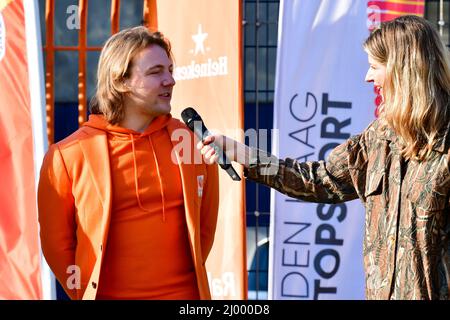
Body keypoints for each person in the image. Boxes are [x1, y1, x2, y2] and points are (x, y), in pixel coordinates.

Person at [198, 15, 450, 300]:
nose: (368, 78)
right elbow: (320, 179)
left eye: (374, 67)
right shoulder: (378, 137)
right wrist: (242, 153)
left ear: (404, 71)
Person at [38, 27, 219, 300]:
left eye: (170, 70)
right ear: (120, 81)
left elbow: (204, 231)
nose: (170, 80)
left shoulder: (192, 141)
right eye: (156, 72)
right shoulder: (67, 155)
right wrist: (85, 292)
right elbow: (56, 246)